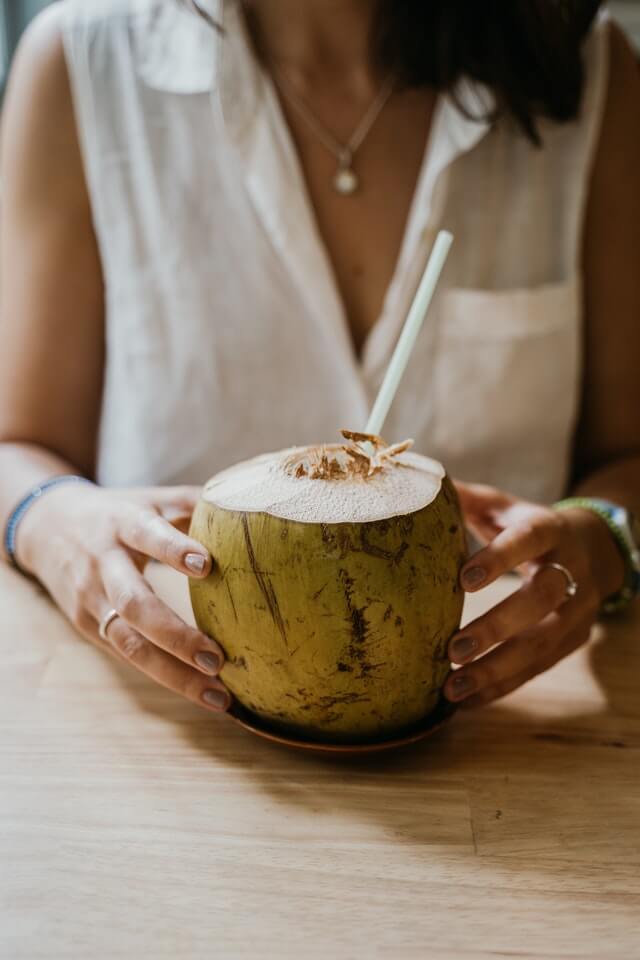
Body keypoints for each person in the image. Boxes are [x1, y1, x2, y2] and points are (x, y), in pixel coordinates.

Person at [1, 0, 639, 720]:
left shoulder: (592, 70)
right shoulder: (81, 61)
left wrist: (604, 535)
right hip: (165, 734)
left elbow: (626, 460)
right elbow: (16, 447)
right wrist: (46, 517)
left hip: (509, 745)